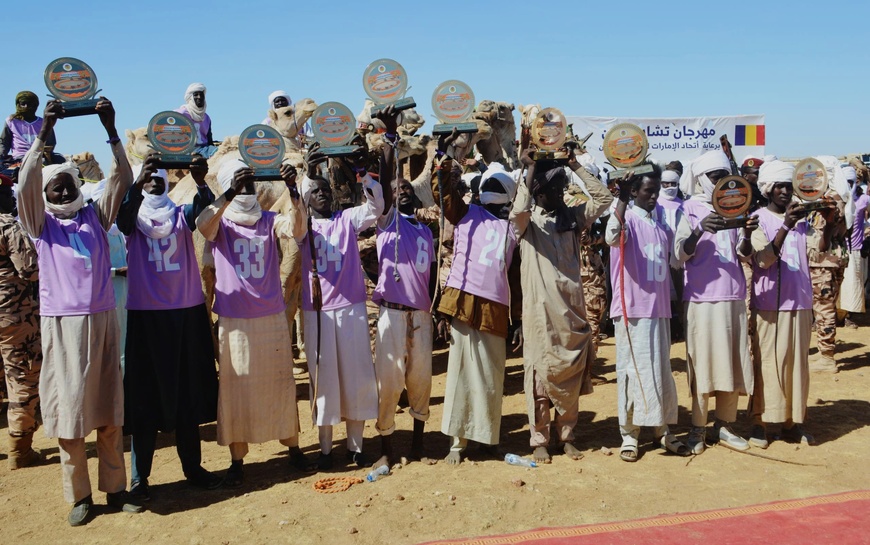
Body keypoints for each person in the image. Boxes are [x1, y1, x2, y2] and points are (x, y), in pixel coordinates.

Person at [18, 98, 142, 525]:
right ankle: (79, 496)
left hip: (105, 319)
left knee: (109, 410)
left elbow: (122, 178)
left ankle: (115, 490)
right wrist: (44, 134)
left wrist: (111, 128)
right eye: (57, 186)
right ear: (46, 195)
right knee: (70, 414)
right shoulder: (39, 225)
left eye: (69, 183)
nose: (66, 190)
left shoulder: (95, 216)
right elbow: (23, 187)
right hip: (64, 326)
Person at [197, 158, 312, 485]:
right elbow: (202, 224)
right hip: (235, 322)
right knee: (236, 390)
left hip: (272, 318)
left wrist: (293, 192)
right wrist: (228, 195)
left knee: (280, 384)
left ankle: (292, 447)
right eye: (238, 182)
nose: (244, 188)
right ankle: (237, 460)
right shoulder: (220, 222)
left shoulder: (269, 219)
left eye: (247, 182)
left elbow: (298, 228)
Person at [117, 154, 223, 500]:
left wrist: (201, 180)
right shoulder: (133, 216)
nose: (154, 181)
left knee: (188, 395)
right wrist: (135, 182)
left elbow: (206, 214)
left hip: (187, 313)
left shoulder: (181, 213)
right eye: (147, 177)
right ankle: (139, 479)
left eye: (158, 176)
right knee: (145, 398)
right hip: (148, 318)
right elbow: (123, 219)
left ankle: (193, 468)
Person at [511, 149, 613, 463]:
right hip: (541, 317)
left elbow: (604, 199)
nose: (557, 195)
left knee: (568, 377)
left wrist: (574, 166)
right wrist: (528, 171)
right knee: (540, 379)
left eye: (559, 189)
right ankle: (539, 439)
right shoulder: (528, 225)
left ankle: (567, 435)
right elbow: (517, 210)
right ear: (537, 192)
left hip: (572, 314)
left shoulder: (572, 218)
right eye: (550, 191)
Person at [289, 145, 383, 469]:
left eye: (327, 191)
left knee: (356, 377)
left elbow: (376, 207)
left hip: (352, 309)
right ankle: (326, 450)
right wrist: (304, 178)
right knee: (324, 381)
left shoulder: (347, 219)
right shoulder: (304, 229)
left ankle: (356, 448)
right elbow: (296, 219)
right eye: (317, 192)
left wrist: (363, 177)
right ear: (306, 198)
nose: (324, 196)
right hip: (317, 314)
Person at [433, 132, 520, 465]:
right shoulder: (467, 213)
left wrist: (519, 320)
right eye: (491, 187)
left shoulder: (514, 228)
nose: (493, 193)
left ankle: (487, 436)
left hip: (496, 308)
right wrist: (442, 156)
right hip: (463, 300)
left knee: (490, 374)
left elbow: (515, 279)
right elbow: (443, 192)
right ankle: (458, 442)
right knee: (459, 373)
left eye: (501, 188)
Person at [748, 160, 837, 448]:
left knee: (797, 367)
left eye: (789, 186)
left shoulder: (802, 221)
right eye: (780, 187)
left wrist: (828, 218)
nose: (785, 192)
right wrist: (786, 225)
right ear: (768, 190)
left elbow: (817, 251)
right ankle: (762, 422)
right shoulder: (759, 218)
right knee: (769, 364)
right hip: (770, 304)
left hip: (799, 301)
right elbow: (763, 259)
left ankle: (792, 421)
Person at [675, 150, 757, 454]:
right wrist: (700, 230)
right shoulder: (690, 209)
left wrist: (746, 233)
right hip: (701, 298)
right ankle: (697, 427)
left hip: (734, 295)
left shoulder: (736, 206)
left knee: (732, 361)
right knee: (703, 362)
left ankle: (724, 424)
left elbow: (743, 253)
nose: (720, 182)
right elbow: (679, 254)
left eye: (723, 176)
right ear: (700, 179)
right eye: (714, 177)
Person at [605, 163, 687, 462]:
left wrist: (676, 306)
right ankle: (629, 434)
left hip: (659, 309)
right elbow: (612, 237)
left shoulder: (660, 224)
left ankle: (662, 429)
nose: (654, 196)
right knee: (631, 371)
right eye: (648, 191)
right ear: (636, 191)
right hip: (632, 310)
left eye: (656, 191)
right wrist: (622, 199)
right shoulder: (625, 217)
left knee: (660, 371)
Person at [371, 109, 436, 467]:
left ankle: (419, 445)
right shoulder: (387, 223)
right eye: (398, 190)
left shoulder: (425, 230)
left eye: (408, 188)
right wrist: (390, 139)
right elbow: (384, 182)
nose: (404, 192)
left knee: (421, 380)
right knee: (390, 381)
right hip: (392, 315)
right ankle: (385, 448)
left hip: (421, 315)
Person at [0, 173, 43, 469]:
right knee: (21, 379)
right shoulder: (7, 225)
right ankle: (20, 449)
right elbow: (30, 270)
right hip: (14, 316)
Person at [838, 166, 868, 327]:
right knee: (834, 284)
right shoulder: (835, 200)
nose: (848, 185)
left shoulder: (864, 200)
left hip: (855, 248)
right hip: (836, 249)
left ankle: (849, 316)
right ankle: (834, 316)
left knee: (852, 284)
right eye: (845, 182)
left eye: (850, 182)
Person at [1, 91, 63, 166]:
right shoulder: (11, 121)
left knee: (68, 164)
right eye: (23, 104)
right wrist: (1, 155)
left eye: (30, 104)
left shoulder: (44, 122)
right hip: (20, 157)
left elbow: (51, 142)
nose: (26, 107)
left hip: (40, 156)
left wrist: (44, 153)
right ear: (18, 104)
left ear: (36, 106)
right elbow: (4, 143)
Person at [176, 83, 216, 158]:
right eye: (196, 95)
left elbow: (209, 140)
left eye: (201, 94)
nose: (199, 97)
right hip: (186, 150)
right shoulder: (180, 114)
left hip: (204, 149)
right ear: (190, 97)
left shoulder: (206, 118)